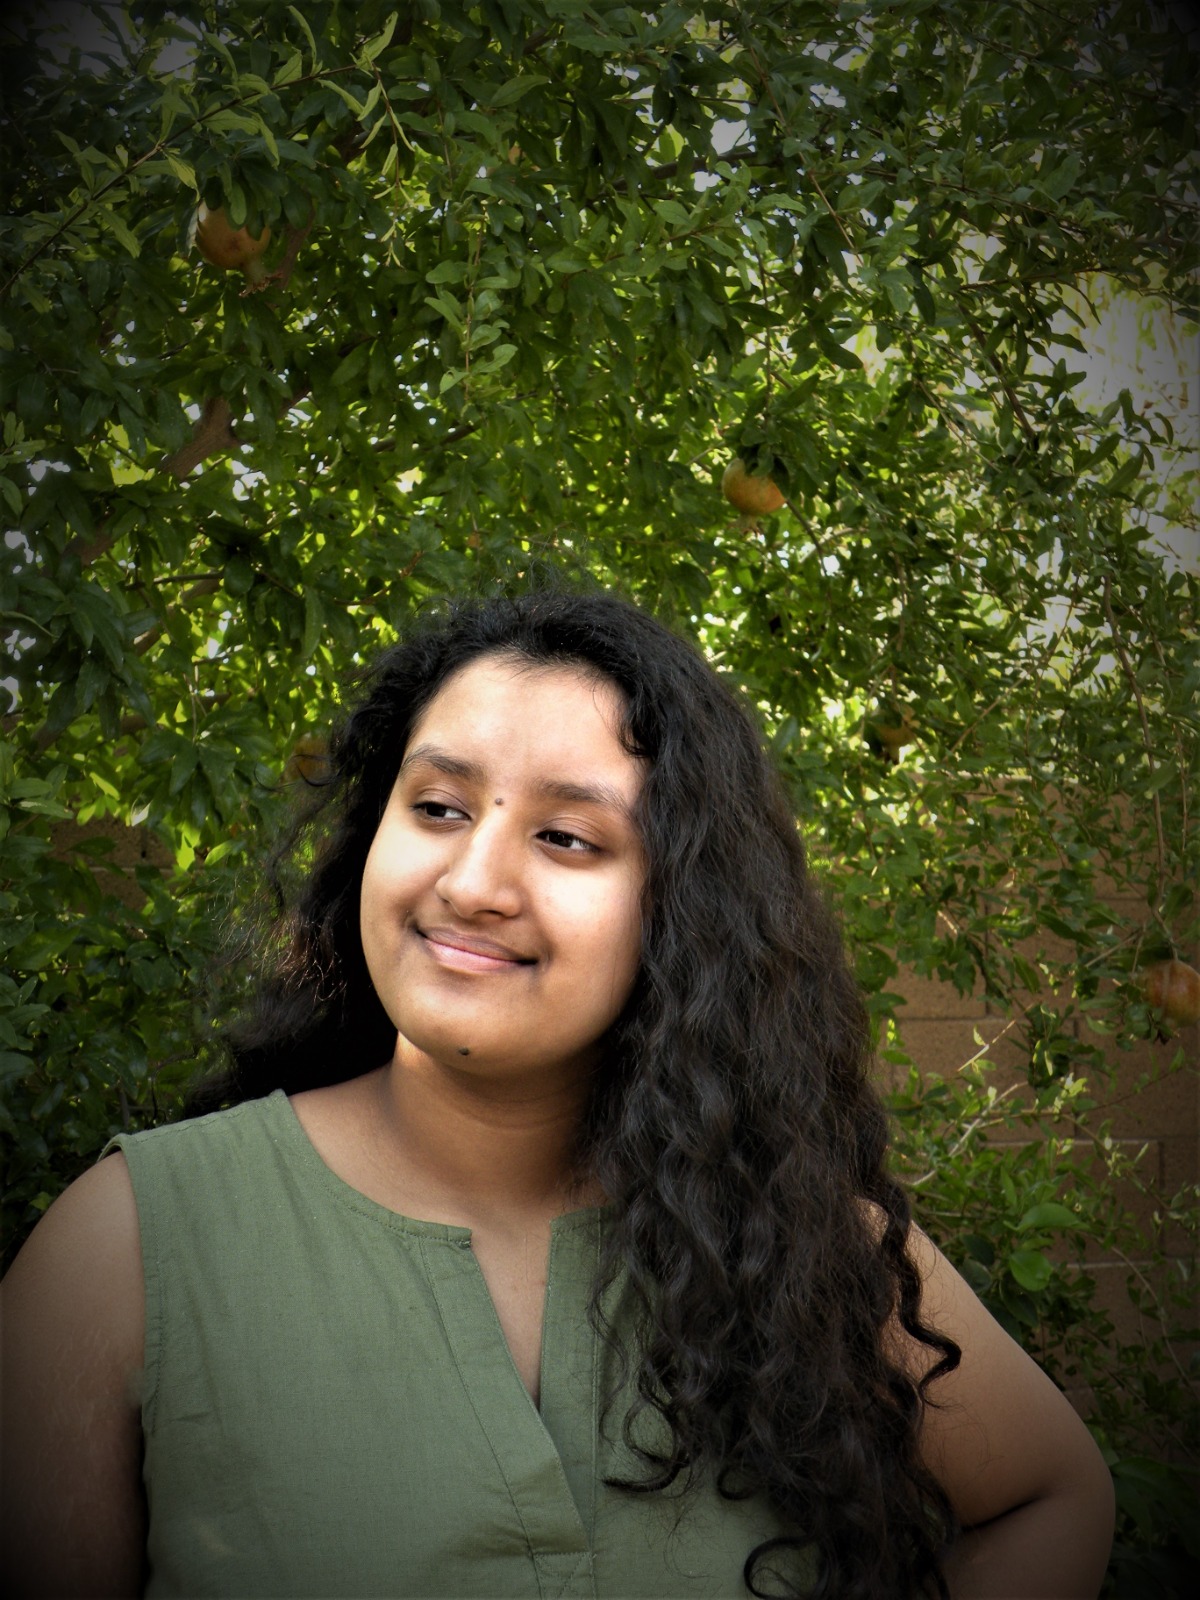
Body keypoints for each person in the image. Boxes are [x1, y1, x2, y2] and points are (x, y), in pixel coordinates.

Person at [1, 586, 1114, 1599]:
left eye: (568, 837)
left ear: (683, 913)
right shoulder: (125, 1252)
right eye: (438, 807)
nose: (474, 882)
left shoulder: (801, 1238)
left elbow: (1053, 1497)